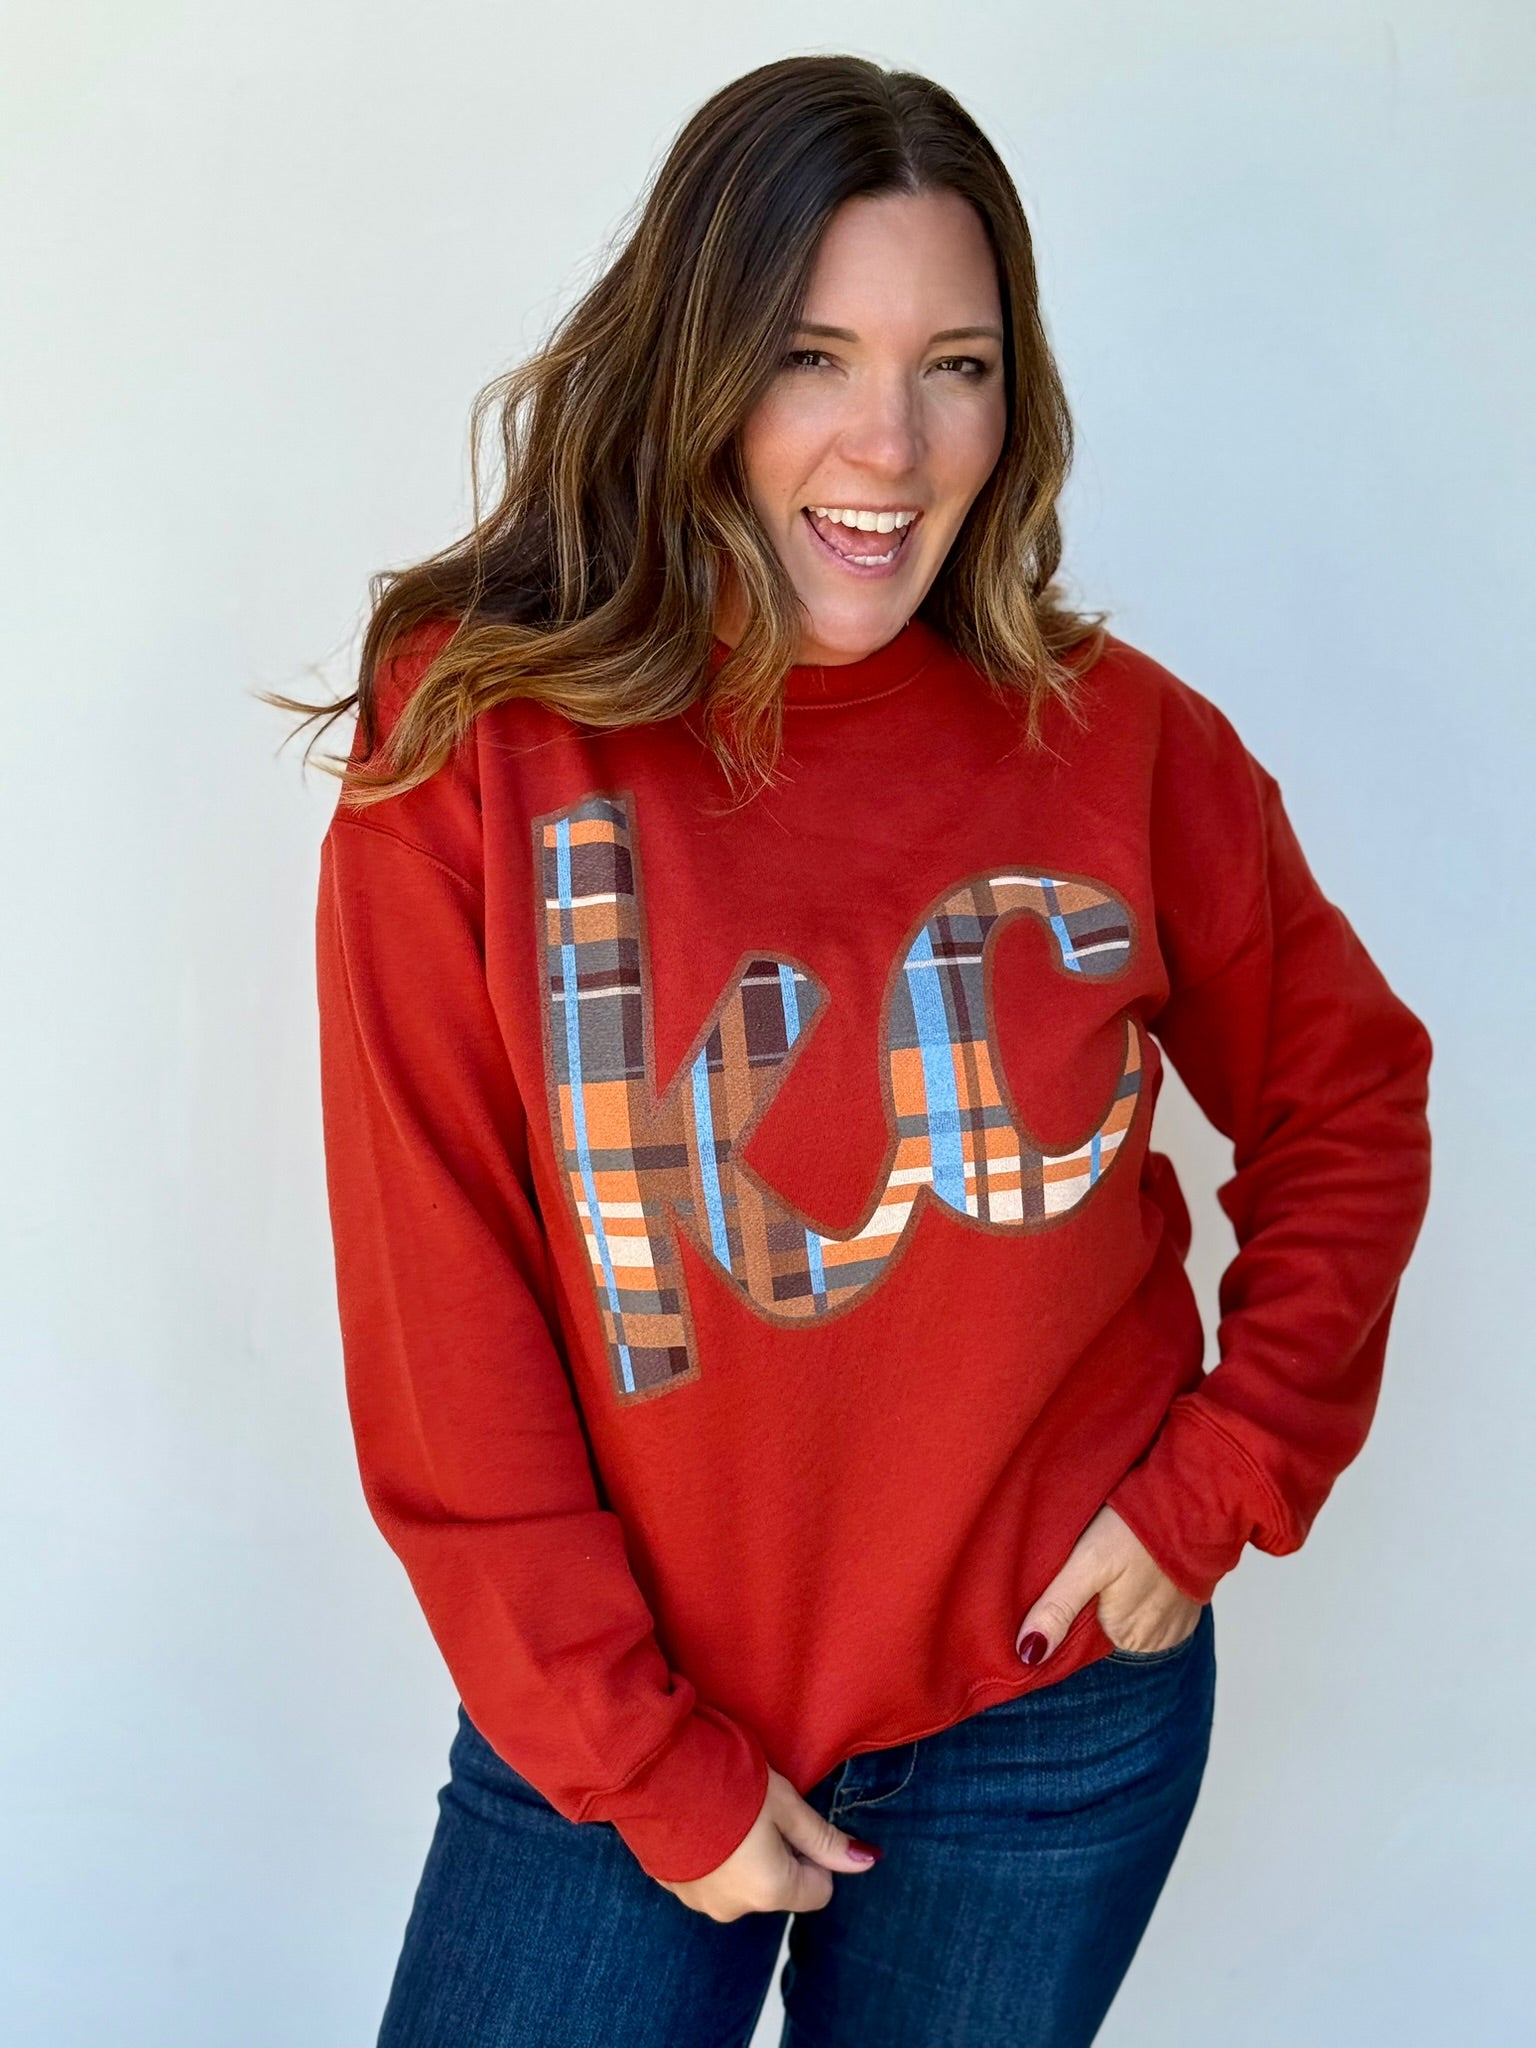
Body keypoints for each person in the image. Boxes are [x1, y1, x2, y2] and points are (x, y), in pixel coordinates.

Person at [284, 53, 1433, 2048]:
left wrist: (1219, 1480)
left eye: (955, 366)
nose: (889, 443)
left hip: (1044, 1731)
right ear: (694, 366)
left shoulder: (1130, 748)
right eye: (812, 355)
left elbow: (1353, 1101)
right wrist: (643, 1760)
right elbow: (441, 1317)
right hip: (618, 1724)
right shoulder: (477, 745)